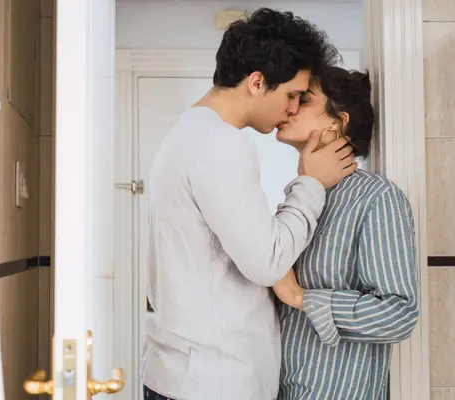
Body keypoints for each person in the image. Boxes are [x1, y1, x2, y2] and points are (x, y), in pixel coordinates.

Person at [141, 8, 357, 400]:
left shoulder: (190, 132)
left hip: (190, 376)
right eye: (292, 95)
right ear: (257, 82)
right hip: (211, 383)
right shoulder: (218, 143)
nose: (293, 109)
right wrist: (310, 180)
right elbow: (267, 261)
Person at [272, 66, 419, 400]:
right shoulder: (299, 201)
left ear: (337, 122)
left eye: (303, 99)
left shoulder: (377, 198)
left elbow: (398, 315)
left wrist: (302, 298)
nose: (290, 107)